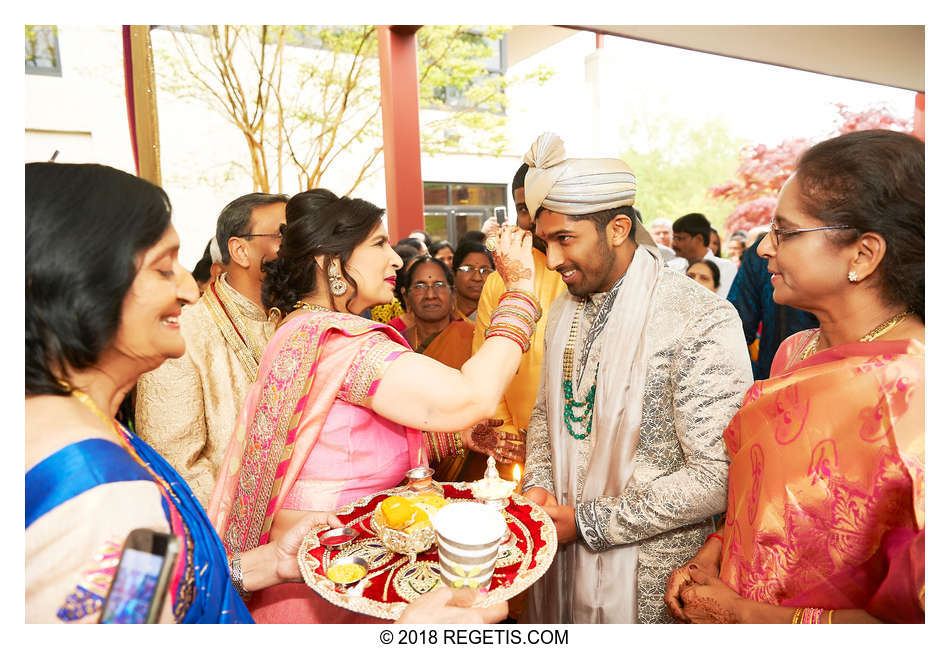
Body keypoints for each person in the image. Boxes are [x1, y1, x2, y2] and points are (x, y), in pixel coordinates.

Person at [25, 163, 506, 626]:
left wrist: (262, 567)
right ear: (82, 286)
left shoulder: (92, 433)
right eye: (162, 268)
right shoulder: (91, 490)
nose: (190, 292)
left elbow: (168, 598)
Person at [208, 188, 539, 623]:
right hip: (335, 578)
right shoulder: (343, 343)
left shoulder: (299, 329)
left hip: (330, 564)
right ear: (331, 264)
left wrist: (450, 438)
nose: (397, 260)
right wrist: (519, 291)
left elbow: (342, 446)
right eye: (379, 244)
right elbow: (471, 396)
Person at [665, 129, 925, 624]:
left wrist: (746, 616)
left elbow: (917, 620)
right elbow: (761, 501)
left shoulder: (920, 395)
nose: (764, 248)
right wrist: (715, 551)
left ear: (863, 255)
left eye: (785, 232)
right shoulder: (793, 351)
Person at [517, 132, 753, 623]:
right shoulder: (564, 308)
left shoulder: (699, 317)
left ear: (619, 228)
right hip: (559, 562)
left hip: (650, 579)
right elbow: (548, 412)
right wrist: (539, 483)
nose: (553, 259)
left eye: (565, 239)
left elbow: (717, 474)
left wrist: (587, 523)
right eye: (546, 243)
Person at [135, 193, 287, 508]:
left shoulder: (294, 320)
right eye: (283, 235)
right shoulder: (184, 334)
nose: (297, 247)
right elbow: (175, 465)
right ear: (240, 251)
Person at [470, 162, 566, 485]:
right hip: (520, 455)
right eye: (525, 209)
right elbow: (487, 375)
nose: (537, 222)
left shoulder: (591, 275)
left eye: (545, 207)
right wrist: (515, 443)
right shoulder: (501, 281)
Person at [727, 234, 818, 380]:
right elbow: (735, 332)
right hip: (772, 381)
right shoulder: (759, 259)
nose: (763, 248)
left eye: (787, 229)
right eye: (773, 227)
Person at [670, 212, 737, 298]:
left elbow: (724, 304)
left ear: (699, 239)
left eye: (679, 238)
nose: (674, 244)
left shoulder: (725, 268)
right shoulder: (672, 267)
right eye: (674, 238)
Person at [452, 240, 494, 322]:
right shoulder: (443, 316)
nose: (477, 278)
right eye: (468, 269)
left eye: (485, 270)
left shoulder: (502, 317)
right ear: (453, 275)